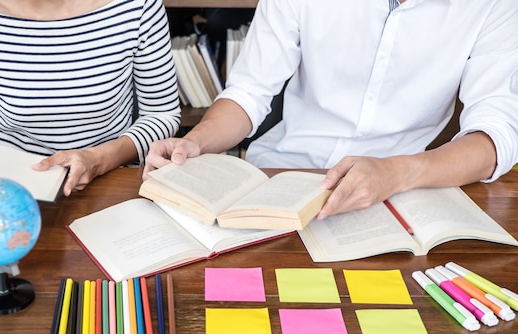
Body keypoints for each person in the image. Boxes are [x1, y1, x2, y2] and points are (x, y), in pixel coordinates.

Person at [144, 0, 518, 219]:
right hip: (280, 178)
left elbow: (495, 138)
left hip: (401, 195)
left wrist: (396, 173)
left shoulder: (495, 6)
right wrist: (195, 142)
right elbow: (249, 92)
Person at [0, 0, 180, 196]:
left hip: (110, 184)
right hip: (9, 190)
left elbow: (162, 113)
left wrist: (99, 159)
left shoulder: (138, 6)